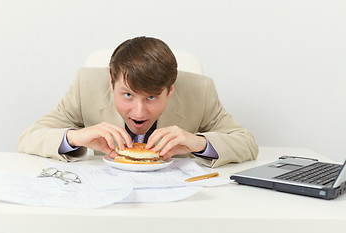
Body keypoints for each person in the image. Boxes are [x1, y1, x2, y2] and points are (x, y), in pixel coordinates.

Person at [18, 36, 258, 168]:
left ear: (170, 90)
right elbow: (29, 137)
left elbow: (247, 143)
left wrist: (198, 143)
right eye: (128, 95)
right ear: (111, 84)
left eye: (151, 97)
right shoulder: (85, 84)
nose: (139, 111)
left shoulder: (200, 90)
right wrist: (75, 137)